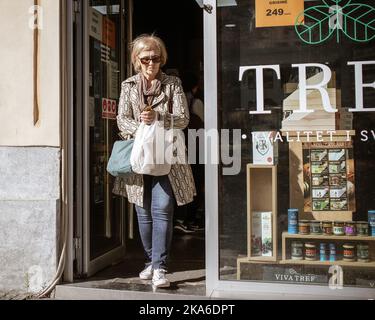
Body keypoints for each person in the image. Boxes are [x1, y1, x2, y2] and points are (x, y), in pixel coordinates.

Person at [112, 34, 196, 288]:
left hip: (167, 156)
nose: (151, 63)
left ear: (162, 59)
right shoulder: (128, 86)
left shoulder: (173, 84)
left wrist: (158, 116)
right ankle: (150, 261)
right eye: (146, 58)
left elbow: (183, 119)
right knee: (143, 211)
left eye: (156, 58)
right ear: (137, 60)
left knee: (163, 209)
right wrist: (143, 128)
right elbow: (121, 119)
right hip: (138, 156)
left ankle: (160, 267)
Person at [174, 72, 205, 233]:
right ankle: (189, 219)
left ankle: (181, 218)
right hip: (195, 146)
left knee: (184, 181)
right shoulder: (196, 101)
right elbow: (205, 122)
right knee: (195, 182)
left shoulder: (179, 98)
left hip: (181, 145)